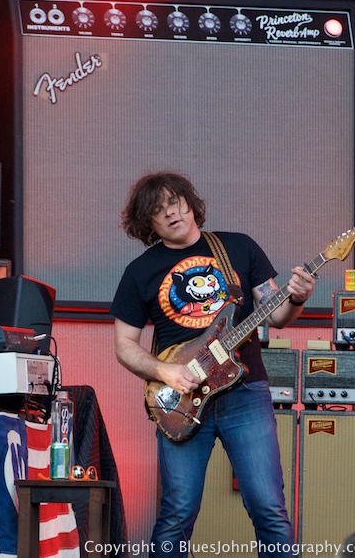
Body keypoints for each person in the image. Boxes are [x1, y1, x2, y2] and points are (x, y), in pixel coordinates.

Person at [110, 172, 315, 558]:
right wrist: (163, 371)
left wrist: (298, 297)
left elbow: (278, 315)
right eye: (157, 210)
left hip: (245, 394)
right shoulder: (140, 272)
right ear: (147, 224)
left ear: (191, 204)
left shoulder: (237, 248)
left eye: (176, 202)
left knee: (269, 509)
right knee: (177, 514)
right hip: (182, 402)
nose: (170, 212)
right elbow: (124, 345)